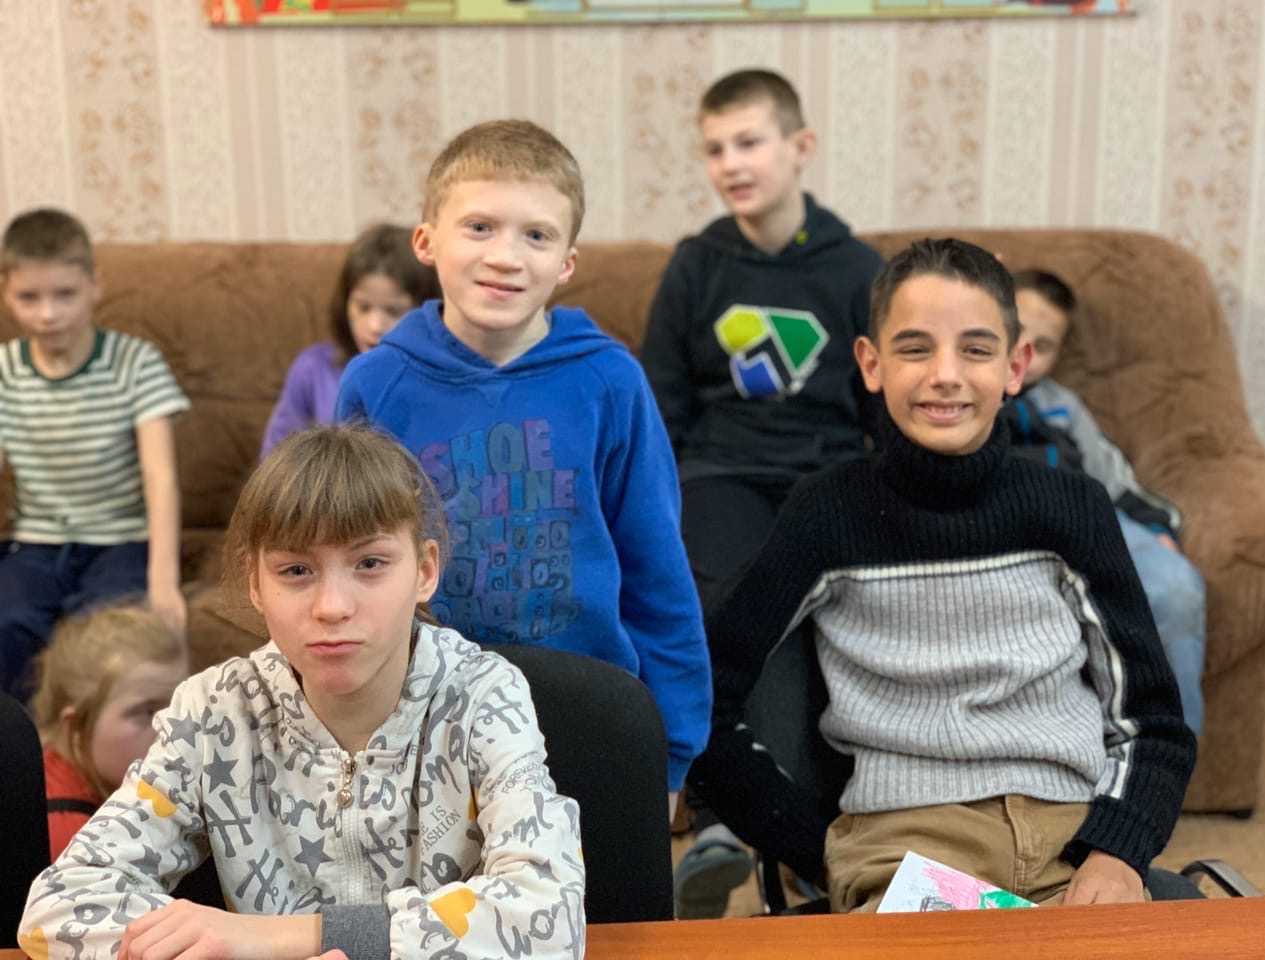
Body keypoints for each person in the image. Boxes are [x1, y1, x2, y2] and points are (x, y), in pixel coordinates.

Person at [688, 238, 1196, 913]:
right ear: (872, 364)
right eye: (915, 349)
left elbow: (1153, 721)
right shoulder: (826, 514)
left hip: (1072, 840)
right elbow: (702, 695)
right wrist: (812, 844)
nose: (946, 375)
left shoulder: (1073, 508)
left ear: (1016, 366)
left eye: (976, 350)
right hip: (905, 847)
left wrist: (1118, 851)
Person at [19, 424, 585, 960]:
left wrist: (279, 937)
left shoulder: (485, 696)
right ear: (255, 584)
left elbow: (551, 915)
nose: (332, 607)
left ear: (425, 571)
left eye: (370, 563)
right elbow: (57, 908)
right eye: (295, 571)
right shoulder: (214, 713)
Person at [336, 119, 711, 818]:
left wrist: (673, 753)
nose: (506, 256)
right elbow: (351, 564)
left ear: (567, 262)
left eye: (536, 235)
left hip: (588, 712)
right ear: (426, 241)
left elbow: (657, 568)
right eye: (480, 227)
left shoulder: (610, 382)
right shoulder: (376, 384)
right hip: (426, 720)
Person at [641, 68, 881, 918]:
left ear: (800, 147)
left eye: (748, 142)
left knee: (834, 612)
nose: (731, 163)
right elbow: (660, 403)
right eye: (714, 149)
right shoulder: (696, 264)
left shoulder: (857, 268)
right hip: (721, 473)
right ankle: (719, 822)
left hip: (827, 474)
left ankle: (830, 831)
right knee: (726, 600)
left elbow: (881, 407)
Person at [1007, 268, 1206, 735]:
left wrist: (1156, 527)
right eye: (1015, 331)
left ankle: (1172, 750)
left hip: (1096, 516)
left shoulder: (1061, 404)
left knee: (1177, 587)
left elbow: (1113, 478)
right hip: (1022, 530)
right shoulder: (959, 391)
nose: (1025, 352)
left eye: (1044, 345)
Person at [0, 208, 190, 698]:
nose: (48, 313)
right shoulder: (5, 371)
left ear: (94, 286)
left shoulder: (135, 362)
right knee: (10, 623)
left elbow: (161, 477)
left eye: (65, 294)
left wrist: (164, 581)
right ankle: (25, 741)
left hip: (121, 540)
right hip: (35, 542)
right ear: (5, 293)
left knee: (103, 639)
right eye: (29, 297)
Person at [259, 222, 440, 459]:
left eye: (394, 311)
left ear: (425, 309)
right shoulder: (313, 369)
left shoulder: (439, 378)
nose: (375, 326)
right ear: (344, 303)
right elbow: (275, 460)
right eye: (363, 307)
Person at [28, 603, 187, 861]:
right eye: (147, 712)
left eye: (179, 706)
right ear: (77, 726)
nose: (172, 728)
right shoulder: (71, 842)